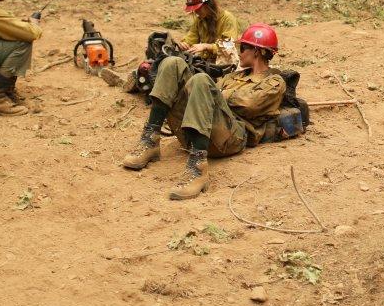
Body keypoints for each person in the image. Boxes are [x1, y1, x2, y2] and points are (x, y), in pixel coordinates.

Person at [123, 23, 287, 200]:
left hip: (233, 136)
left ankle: (197, 168)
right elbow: (207, 97)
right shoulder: (234, 76)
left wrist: (216, 94)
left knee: (201, 80)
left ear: (258, 51)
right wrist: (209, 93)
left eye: (244, 47)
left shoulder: (274, 81)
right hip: (201, 131)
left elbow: (249, 104)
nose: (239, 52)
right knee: (173, 63)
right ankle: (151, 139)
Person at [178, 0, 240, 64]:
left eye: (198, 8)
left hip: (223, 66)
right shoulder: (200, 19)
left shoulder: (227, 19)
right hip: (205, 63)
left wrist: (207, 46)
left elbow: (229, 45)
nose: (196, 11)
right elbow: (191, 38)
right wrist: (184, 44)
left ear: (209, 3)